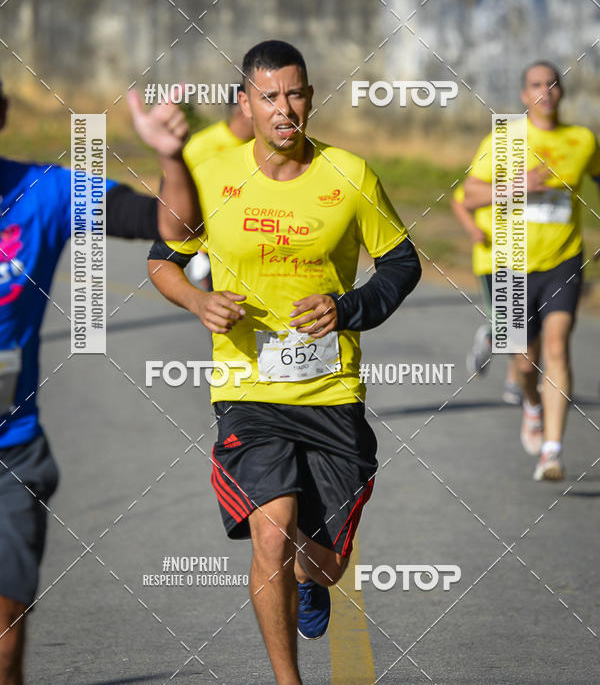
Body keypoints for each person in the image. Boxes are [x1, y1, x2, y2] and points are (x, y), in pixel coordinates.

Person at [148, 40, 421, 684]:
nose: (283, 109)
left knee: (323, 563)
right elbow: (163, 259)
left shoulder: (350, 174)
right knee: (271, 530)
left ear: (310, 97)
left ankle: (309, 577)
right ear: (245, 103)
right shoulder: (211, 174)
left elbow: (402, 263)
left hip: (331, 391)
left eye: (294, 94)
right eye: (268, 96)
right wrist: (199, 301)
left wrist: (347, 308)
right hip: (247, 389)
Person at [0, 84, 199, 685]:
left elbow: (176, 226)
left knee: (4, 633)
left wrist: (169, 157)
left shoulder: (45, 193)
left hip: (10, 453)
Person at [464, 61, 600, 481]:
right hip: (509, 263)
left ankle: (552, 452)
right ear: (525, 95)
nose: (546, 91)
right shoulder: (504, 139)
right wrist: (517, 186)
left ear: (562, 92)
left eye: (553, 83)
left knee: (557, 347)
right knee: (525, 365)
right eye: (536, 84)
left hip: (563, 260)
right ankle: (533, 404)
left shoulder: (582, 140)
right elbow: (469, 195)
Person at [451, 184, 520, 403]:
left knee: (519, 319)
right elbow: (459, 201)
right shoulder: (487, 172)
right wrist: (472, 228)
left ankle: (514, 380)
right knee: (507, 319)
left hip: (525, 257)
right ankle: (491, 339)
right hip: (491, 258)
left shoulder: (535, 173)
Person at [183, 93, 254, 289]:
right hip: (211, 249)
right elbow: (175, 195)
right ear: (242, 110)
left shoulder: (263, 147)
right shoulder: (201, 146)